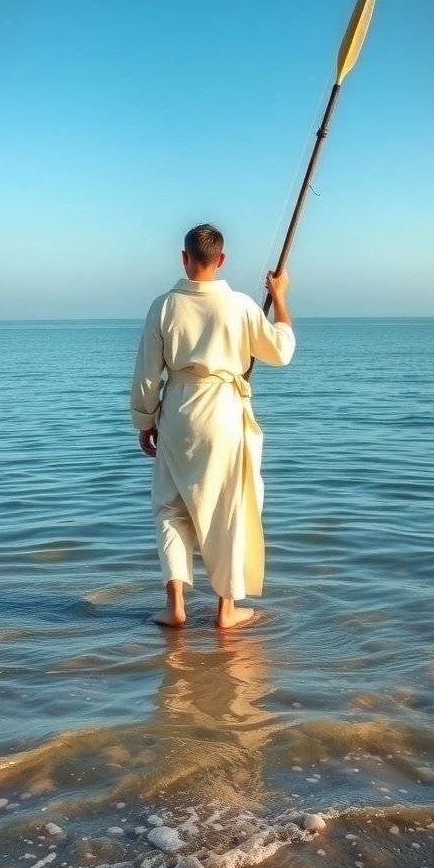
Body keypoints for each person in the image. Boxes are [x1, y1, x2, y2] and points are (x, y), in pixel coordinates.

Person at [130, 223, 296, 629]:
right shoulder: (240, 305)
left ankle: (175, 606)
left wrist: (145, 420)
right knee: (229, 505)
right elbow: (281, 352)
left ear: (184, 258)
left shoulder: (163, 306)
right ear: (221, 260)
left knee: (170, 507)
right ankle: (226, 610)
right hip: (224, 411)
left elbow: (147, 376)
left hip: (179, 412)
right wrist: (279, 297)